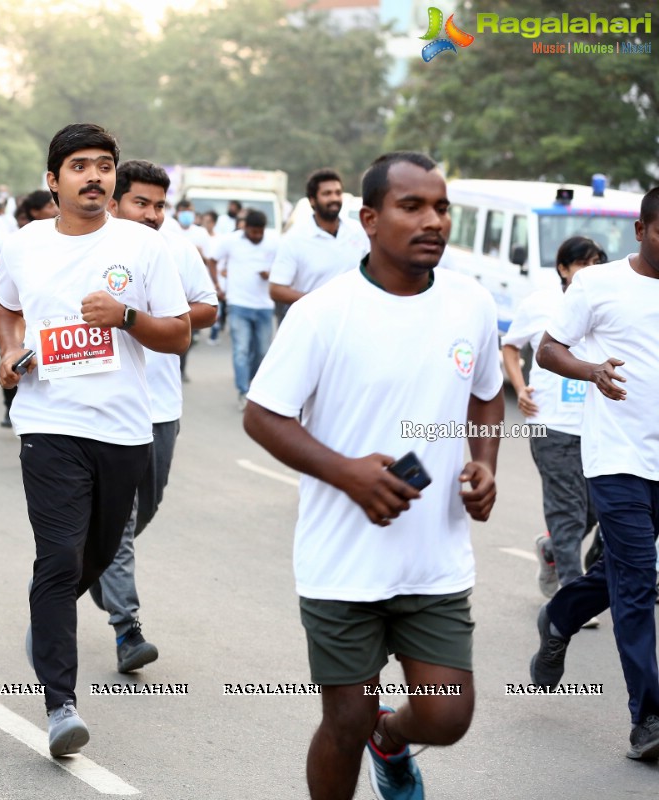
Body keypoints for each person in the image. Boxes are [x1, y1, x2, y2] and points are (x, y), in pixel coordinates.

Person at [244, 151, 503, 800]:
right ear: (370, 218)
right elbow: (262, 415)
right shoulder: (324, 313)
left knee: (447, 715)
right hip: (343, 564)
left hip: (432, 561)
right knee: (347, 715)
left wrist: (484, 462)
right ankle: (368, 732)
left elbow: (487, 392)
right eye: (411, 206)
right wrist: (347, 474)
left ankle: (392, 740)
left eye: (441, 207)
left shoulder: (470, 303)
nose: (432, 220)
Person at [0, 123, 190, 757]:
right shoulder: (22, 245)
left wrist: (126, 317)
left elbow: (179, 333)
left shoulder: (143, 245)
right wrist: (8, 351)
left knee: (96, 557)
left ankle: (45, 627)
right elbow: (5, 307)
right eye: (80, 166)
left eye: (104, 166)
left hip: (124, 429)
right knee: (56, 559)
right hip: (49, 424)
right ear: (53, 181)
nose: (95, 177)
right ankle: (61, 706)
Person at [529, 187, 659, 761]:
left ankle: (560, 615)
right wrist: (590, 371)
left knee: (623, 574)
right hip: (619, 459)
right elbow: (547, 349)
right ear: (640, 230)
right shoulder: (599, 284)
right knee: (638, 584)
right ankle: (648, 718)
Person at [94, 159, 217, 672]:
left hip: (161, 407)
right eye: (141, 203)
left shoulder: (176, 248)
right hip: (102, 407)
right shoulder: (91, 247)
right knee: (119, 520)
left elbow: (207, 307)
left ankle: (92, 567)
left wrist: (159, 317)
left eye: (159, 205)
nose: (151, 214)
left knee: (146, 508)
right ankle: (128, 628)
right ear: (115, 202)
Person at [502, 237, 605, 610]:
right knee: (568, 510)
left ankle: (550, 548)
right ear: (564, 268)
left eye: (597, 263)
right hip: (551, 424)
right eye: (583, 263)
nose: (590, 270)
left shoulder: (606, 305)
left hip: (596, 425)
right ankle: (571, 595)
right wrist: (519, 386)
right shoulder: (539, 304)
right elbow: (511, 346)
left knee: (595, 510)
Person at [0, 189, 58, 427]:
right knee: (15, 363)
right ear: (34, 212)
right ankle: (10, 407)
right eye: (48, 205)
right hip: (22, 320)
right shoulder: (14, 242)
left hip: (50, 324)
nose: (54, 209)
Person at [269, 168, 370, 323]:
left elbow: (373, 271)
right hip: (312, 323)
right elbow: (276, 289)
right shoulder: (294, 238)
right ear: (312, 200)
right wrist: (319, 303)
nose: (334, 198)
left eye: (338, 192)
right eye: (327, 194)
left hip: (354, 320)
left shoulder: (358, 231)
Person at [210, 209, 277, 410]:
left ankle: (255, 388)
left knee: (262, 351)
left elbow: (285, 266)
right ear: (245, 227)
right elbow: (213, 260)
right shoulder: (231, 241)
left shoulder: (275, 241)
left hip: (265, 306)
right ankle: (244, 391)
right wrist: (216, 285)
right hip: (238, 304)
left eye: (260, 232)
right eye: (253, 231)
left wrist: (271, 274)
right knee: (241, 349)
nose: (257, 235)